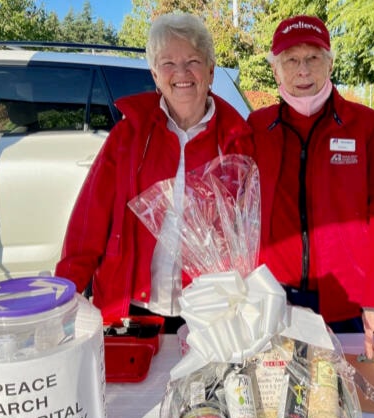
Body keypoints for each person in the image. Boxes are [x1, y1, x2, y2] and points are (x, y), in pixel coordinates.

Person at [55, 13, 253, 332]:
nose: (182, 73)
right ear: (155, 75)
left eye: (192, 61)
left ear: (211, 71)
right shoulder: (128, 135)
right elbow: (88, 221)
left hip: (209, 310)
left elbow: (251, 232)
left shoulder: (237, 140)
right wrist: (64, 295)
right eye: (168, 64)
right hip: (131, 305)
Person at [248, 15, 374, 362]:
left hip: (346, 302)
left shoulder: (364, 126)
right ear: (276, 71)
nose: (302, 70)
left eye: (313, 58)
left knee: (341, 404)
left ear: (329, 65)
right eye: (291, 60)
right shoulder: (257, 128)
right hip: (274, 298)